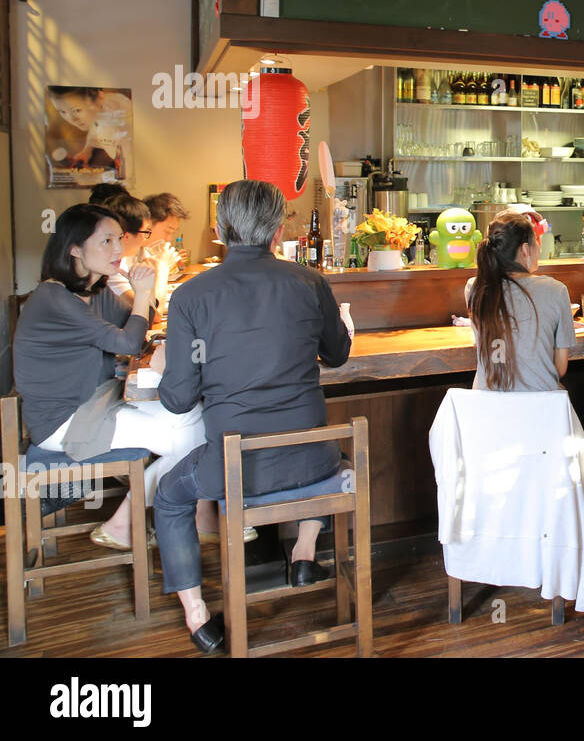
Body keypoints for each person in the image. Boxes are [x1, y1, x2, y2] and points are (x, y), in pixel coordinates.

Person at [152, 180, 352, 653]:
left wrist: (167, 367)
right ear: (279, 229)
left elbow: (178, 400)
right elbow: (339, 354)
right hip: (312, 461)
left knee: (167, 496)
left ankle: (199, 618)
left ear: (220, 229)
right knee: (332, 450)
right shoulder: (309, 281)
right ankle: (303, 553)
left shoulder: (191, 296)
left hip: (234, 468)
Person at [12, 204, 206, 552]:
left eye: (119, 239)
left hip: (97, 402)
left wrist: (145, 294)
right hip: (65, 421)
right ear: (74, 248)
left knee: (197, 418)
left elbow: (141, 321)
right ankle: (129, 522)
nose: (119, 249)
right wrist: (144, 293)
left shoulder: (95, 291)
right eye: (107, 241)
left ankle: (183, 514)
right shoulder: (53, 299)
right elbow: (130, 339)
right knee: (193, 443)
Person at [466, 210, 576, 392]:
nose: (539, 248)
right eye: (536, 242)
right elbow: (559, 368)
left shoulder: (474, 288)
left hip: (489, 413)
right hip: (538, 411)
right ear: (525, 250)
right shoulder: (556, 290)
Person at [99, 193, 153, 299]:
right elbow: (152, 314)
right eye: (146, 232)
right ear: (125, 236)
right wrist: (161, 273)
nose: (146, 238)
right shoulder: (111, 270)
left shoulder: (121, 262)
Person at [144, 192, 191, 268]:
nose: (169, 239)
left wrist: (175, 265)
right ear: (147, 224)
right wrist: (163, 267)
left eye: (172, 233)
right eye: (167, 231)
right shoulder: (128, 256)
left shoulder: (149, 251)